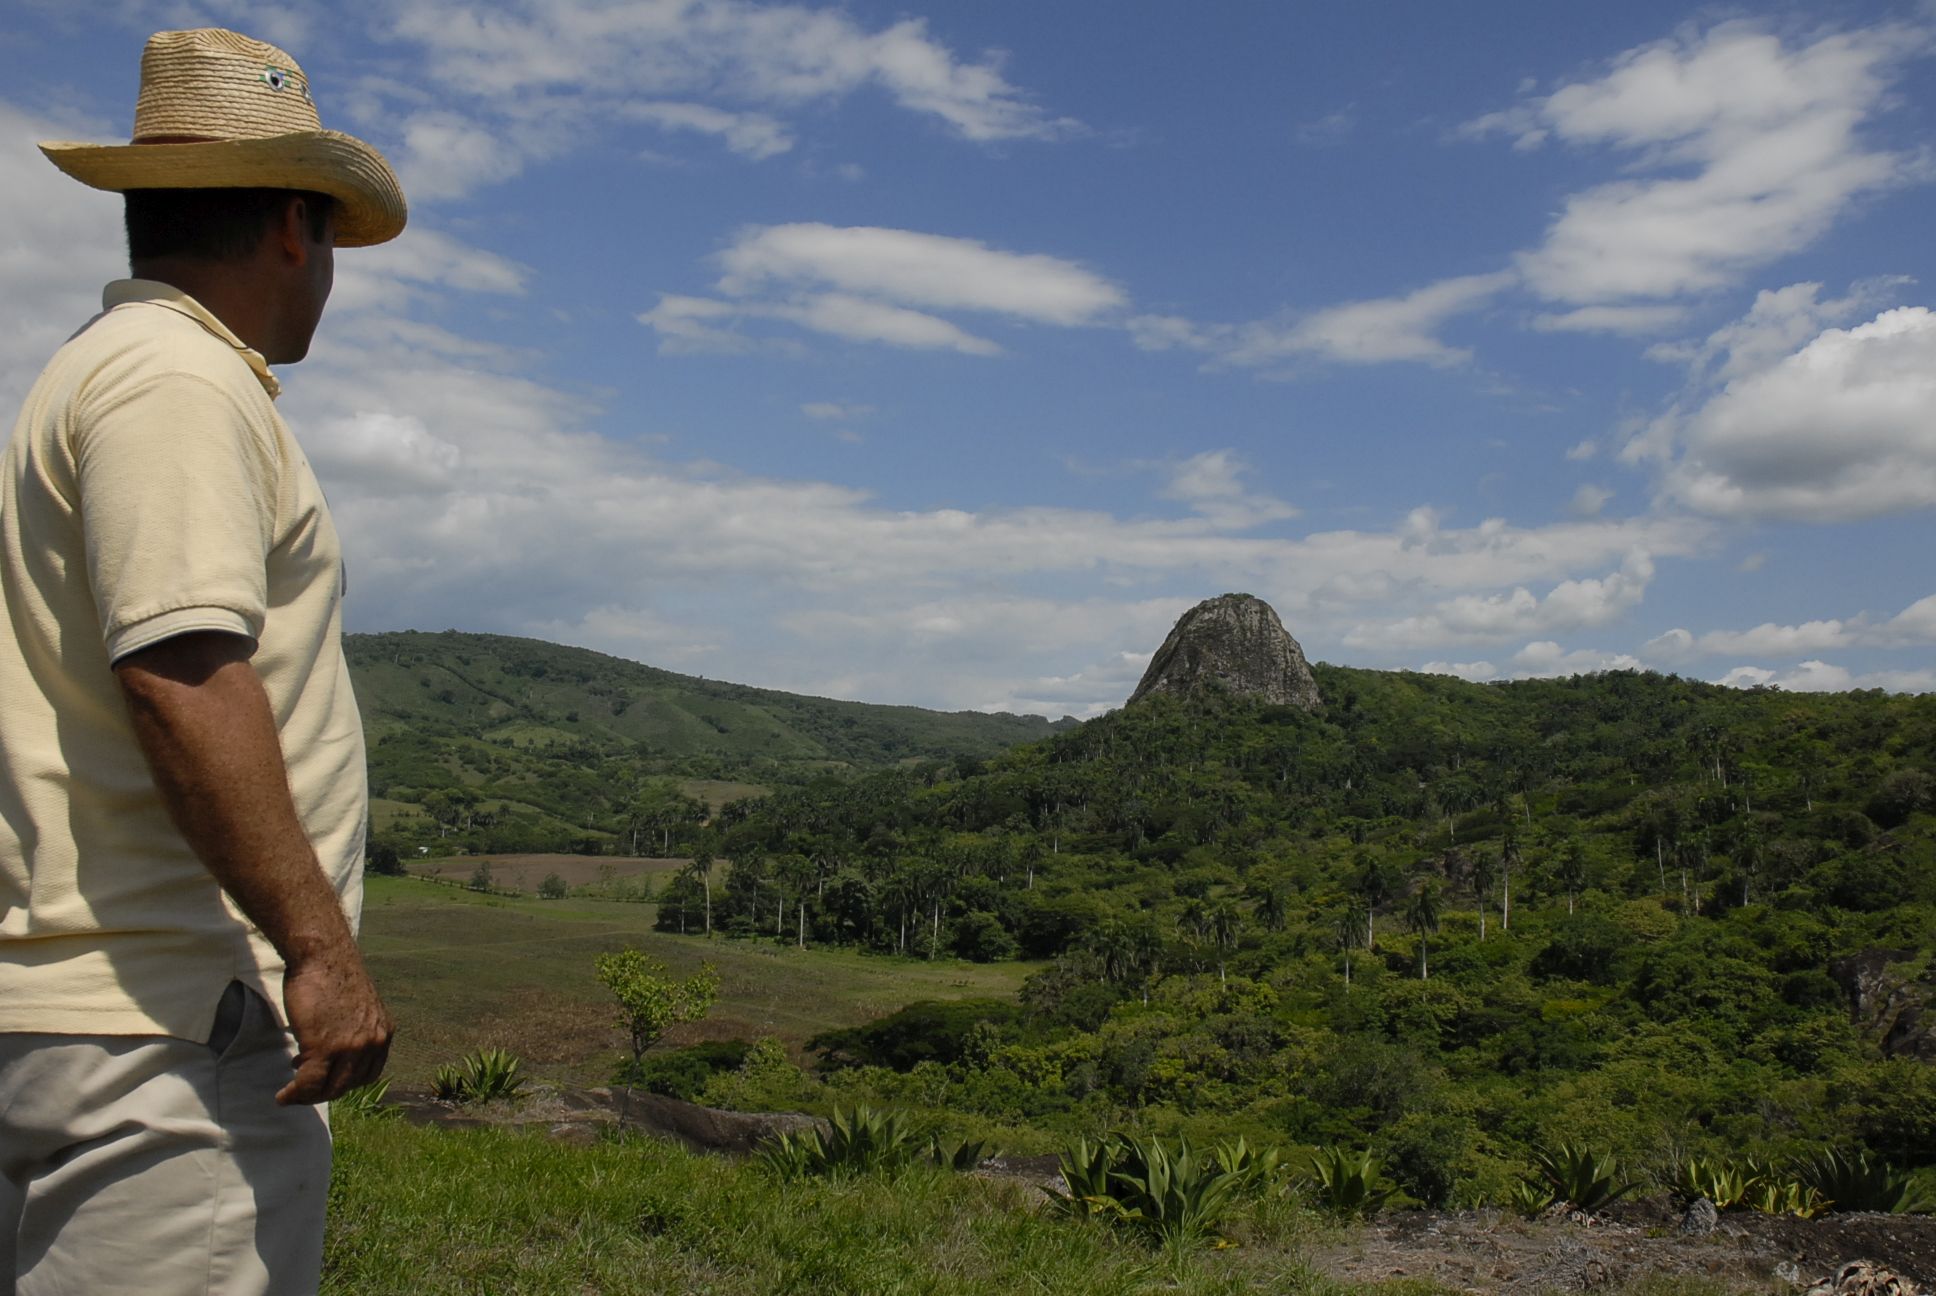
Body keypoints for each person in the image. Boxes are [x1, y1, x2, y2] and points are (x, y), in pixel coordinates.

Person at [0, 28, 407, 1295]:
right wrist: (319, 948)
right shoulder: (176, 380)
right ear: (294, 223)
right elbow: (180, 667)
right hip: (171, 1022)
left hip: (103, 1004)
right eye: (331, 240)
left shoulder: (109, 368)